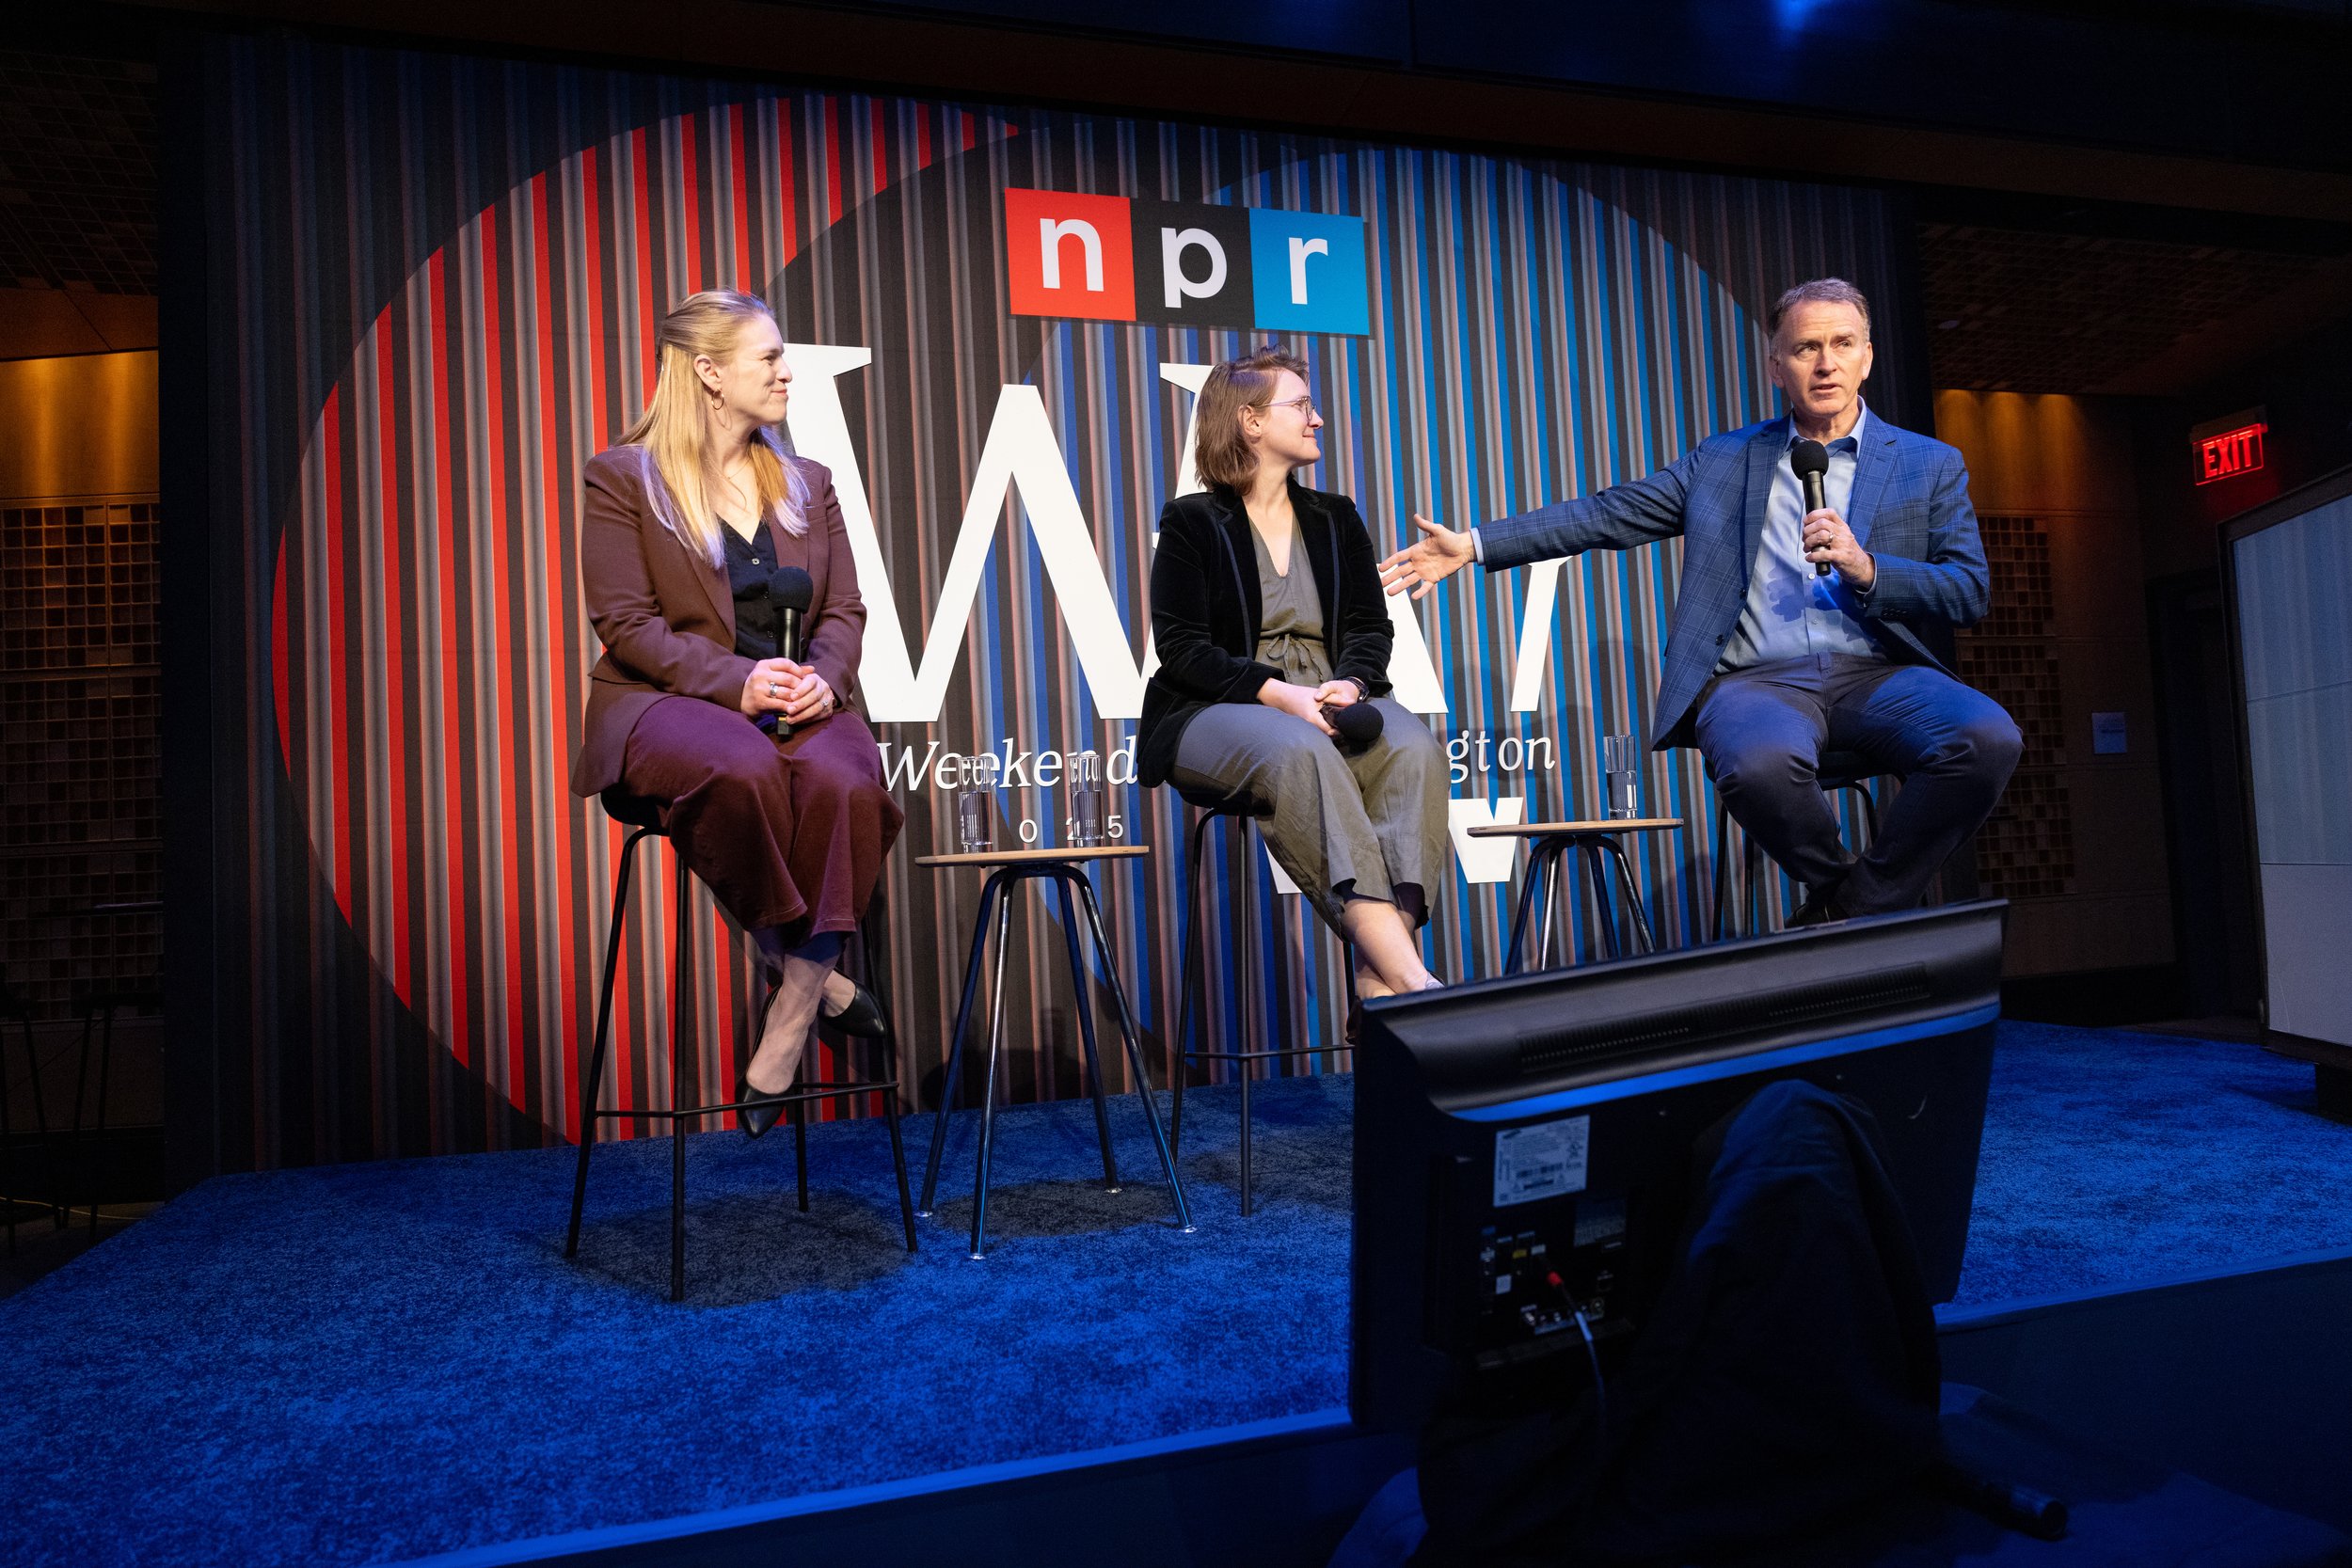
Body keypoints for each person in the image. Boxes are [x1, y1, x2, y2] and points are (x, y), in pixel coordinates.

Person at [1380, 279, 2019, 923]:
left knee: (1987, 738)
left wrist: (1867, 566)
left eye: (1842, 344)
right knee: (1757, 766)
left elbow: (1967, 590)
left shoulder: (1928, 463)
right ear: (1777, 366)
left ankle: (1851, 908)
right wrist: (1475, 544)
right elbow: (1607, 513)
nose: (1826, 363)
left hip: (1878, 675)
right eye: (1806, 348)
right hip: (1757, 682)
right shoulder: (1724, 460)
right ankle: (1850, 898)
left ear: (1867, 357)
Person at [570, 289, 901, 1137]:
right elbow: (626, 624)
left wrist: (826, 679)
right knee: (742, 765)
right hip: (670, 700)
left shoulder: (809, 482)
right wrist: (738, 683)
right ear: (709, 373)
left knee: (846, 778)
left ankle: (794, 994)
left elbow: (845, 610)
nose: (788, 372)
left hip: (798, 700)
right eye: (770, 358)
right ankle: (814, 979)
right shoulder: (623, 477)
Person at [1138, 346, 1452, 1008]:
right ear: (1250, 421)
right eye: (1303, 405)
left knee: (1414, 750)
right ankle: (1412, 982)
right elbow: (1182, 648)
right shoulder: (1192, 521)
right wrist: (1280, 694)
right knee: (1300, 749)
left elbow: (1369, 626)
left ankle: (1377, 978)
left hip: (1331, 695)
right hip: (1218, 706)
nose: (1318, 419)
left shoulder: (1336, 517)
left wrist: (1353, 683)